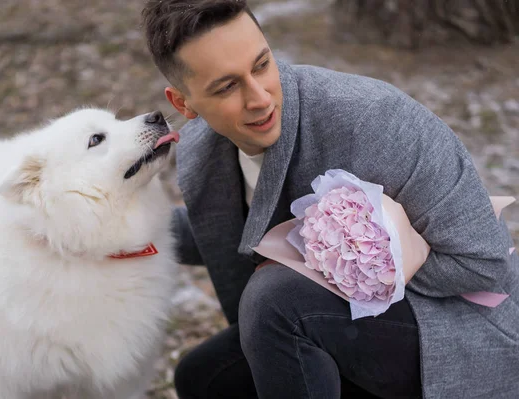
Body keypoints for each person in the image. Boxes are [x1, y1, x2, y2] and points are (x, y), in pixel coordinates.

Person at [140, 1, 519, 398]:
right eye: (227, 86)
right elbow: (226, 232)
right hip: (335, 327)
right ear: (183, 103)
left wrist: (351, 266)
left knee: (273, 300)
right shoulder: (204, 149)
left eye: (262, 65)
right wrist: (108, 228)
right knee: (202, 378)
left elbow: (483, 262)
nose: (260, 98)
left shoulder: (374, 120)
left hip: (456, 329)